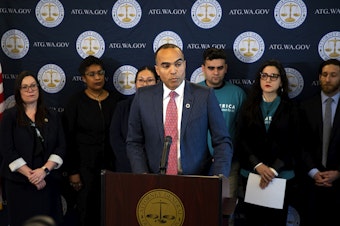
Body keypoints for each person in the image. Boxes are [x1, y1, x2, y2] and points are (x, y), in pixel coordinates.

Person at [126, 43, 233, 177]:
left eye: (178, 64)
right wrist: (142, 175)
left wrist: (219, 177)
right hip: (155, 180)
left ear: (185, 65)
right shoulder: (143, 97)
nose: (173, 71)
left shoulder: (204, 96)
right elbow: (134, 142)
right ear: (157, 70)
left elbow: (222, 141)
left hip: (197, 180)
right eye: (166, 66)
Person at [235, 59, 300, 226]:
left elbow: (294, 143)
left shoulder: (292, 109)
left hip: (280, 176)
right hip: (251, 174)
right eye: (264, 76)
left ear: (281, 82)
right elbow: (241, 139)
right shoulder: (248, 106)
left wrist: (272, 170)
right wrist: (258, 166)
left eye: (273, 76)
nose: (268, 80)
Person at [62, 55, 123, 226]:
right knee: (88, 212)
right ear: (83, 78)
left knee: (113, 209)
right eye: (91, 74)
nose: (97, 78)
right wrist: (73, 171)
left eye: (100, 73)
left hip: (112, 168)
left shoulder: (116, 100)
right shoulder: (75, 102)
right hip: (85, 169)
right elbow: (68, 138)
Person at [0, 71, 65, 226]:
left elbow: (61, 146)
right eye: (25, 87)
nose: (30, 90)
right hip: (19, 184)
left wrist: (44, 171)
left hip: (48, 183)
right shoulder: (10, 116)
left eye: (33, 86)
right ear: (18, 92)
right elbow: (7, 150)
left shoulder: (53, 115)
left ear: (39, 89)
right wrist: (31, 176)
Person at [198, 47, 246, 225]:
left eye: (220, 68)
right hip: (197, 164)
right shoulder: (192, 91)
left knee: (226, 213)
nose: (216, 72)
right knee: (197, 207)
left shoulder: (238, 94)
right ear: (203, 68)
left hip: (228, 165)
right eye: (211, 68)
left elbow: (242, 132)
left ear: (226, 68)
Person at [298, 58, 340, 226]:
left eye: (333, 75)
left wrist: (338, 172)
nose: (327, 79)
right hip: (311, 183)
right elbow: (299, 144)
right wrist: (313, 171)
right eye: (324, 74)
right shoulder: (305, 106)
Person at [110, 65, 158, 172]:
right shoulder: (122, 107)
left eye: (150, 80)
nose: (145, 84)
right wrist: (133, 162)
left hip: (156, 167)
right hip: (126, 166)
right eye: (141, 80)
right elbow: (115, 138)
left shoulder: (163, 107)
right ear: (135, 83)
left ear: (157, 83)